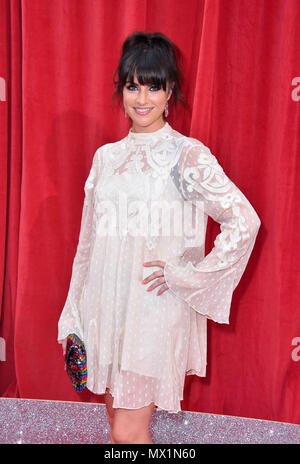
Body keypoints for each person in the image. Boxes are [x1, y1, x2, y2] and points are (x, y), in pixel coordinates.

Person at [57, 31, 261, 445]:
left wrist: (186, 276)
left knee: (128, 432)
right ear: (121, 88)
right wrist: (72, 315)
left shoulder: (187, 155)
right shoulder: (106, 158)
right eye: (133, 85)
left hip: (152, 314)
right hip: (105, 309)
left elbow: (244, 221)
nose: (143, 98)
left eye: (155, 86)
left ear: (171, 92)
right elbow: (88, 246)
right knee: (118, 425)